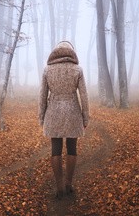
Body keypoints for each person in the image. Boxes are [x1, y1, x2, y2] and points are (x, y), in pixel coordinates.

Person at [38, 41, 90, 199]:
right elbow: (84, 95)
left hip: (53, 113)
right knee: (72, 148)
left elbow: (42, 96)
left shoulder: (48, 70)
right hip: (73, 112)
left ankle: (59, 187)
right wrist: (85, 116)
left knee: (55, 149)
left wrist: (41, 116)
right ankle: (68, 184)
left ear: (56, 52)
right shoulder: (77, 69)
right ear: (71, 52)